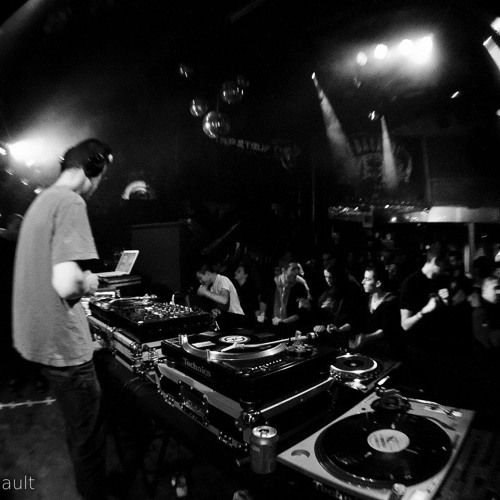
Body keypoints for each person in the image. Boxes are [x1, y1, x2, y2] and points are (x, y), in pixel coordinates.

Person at [12, 138, 113, 500]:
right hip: (64, 351)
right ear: (93, 166)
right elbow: (67, 283)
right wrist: (90, 281)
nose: (99, 184)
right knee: (89, 439)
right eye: (102, 174)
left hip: (39, 343)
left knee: (76, 427)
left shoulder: (41, 201)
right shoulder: (71, 201)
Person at [349, 264, 403, 359]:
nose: (362, 282)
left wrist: (366, 338)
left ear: (378, 283)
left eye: (367, 279)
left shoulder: (391, 302)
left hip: (385, 352)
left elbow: (386, 330)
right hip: (367, 350)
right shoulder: (366, 299)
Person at [312, 261, 366, 348]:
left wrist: (337, 328)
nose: (328, 280)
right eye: (326, 277)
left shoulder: (351, 292)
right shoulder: (329, 290)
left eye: (331, 277)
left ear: (338, 276)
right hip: (331, 333)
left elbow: (354, 320)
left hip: (345, 336)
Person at [195, 262, 245, 327]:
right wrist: (218, 310)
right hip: (230, 321)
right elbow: (225, 305)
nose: (200, 281)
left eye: (200, 278)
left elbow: (224, 300)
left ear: (207, 274)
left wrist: (205, 292)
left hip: (238, 320)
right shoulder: (212, 287)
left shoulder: (223, 280)